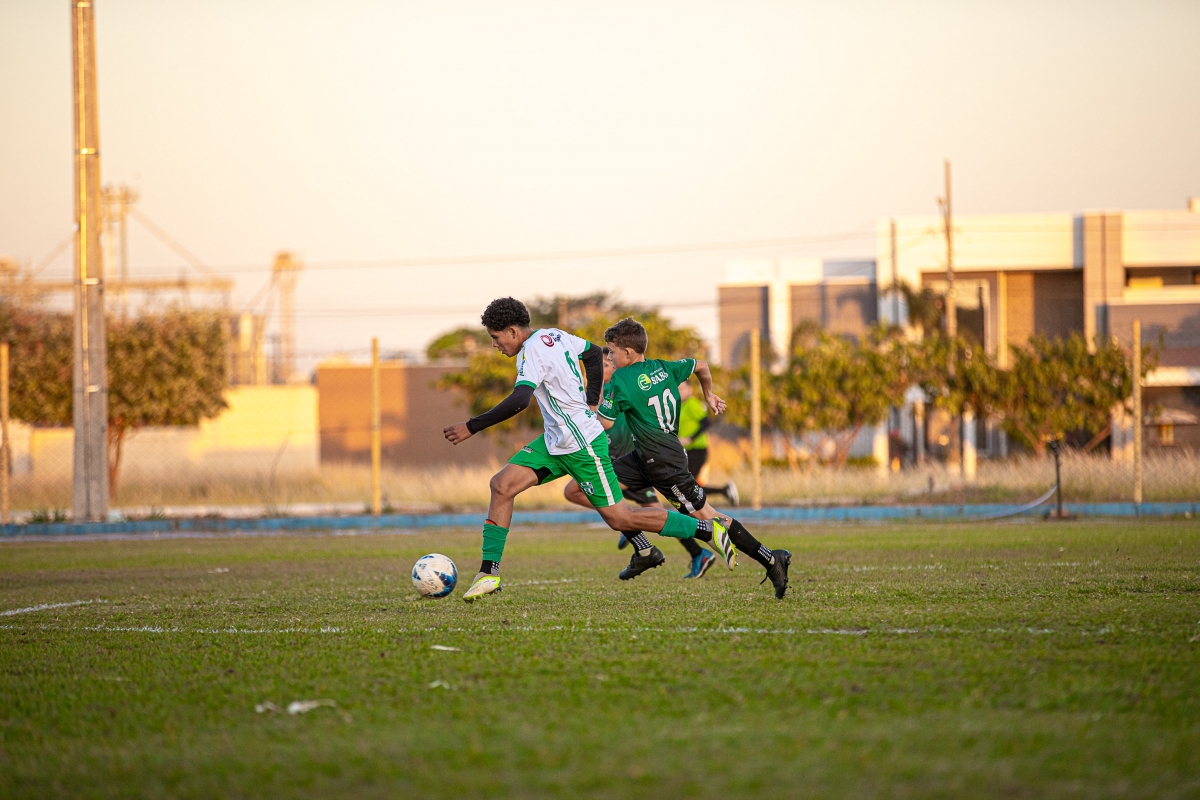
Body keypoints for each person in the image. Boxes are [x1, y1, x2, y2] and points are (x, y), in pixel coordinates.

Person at [443, 298, 737, 602]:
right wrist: (592, 400)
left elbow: (520, 400)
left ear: (513, 331)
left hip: (583, 445)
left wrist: (471, 426)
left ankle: (707, 530)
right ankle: (488, 574)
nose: (495, 345)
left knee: (621, 519)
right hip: (555, 441)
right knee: (502, 485)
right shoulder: (555, 334)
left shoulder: (530, 352)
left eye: (495, 337)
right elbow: (594, 353)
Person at [597, 317, 791, 599]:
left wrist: (579, 413)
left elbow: (605, 422)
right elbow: (701, 365)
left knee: (709, 517)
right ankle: (643, 548)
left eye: (612, 352)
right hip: (645, 457)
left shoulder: (621, 379)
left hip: (664, 462)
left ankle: (771, 559)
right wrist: (709, 394)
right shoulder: (664, 367)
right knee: (599, 485)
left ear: (627, 352)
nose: (610, 358)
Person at [562, 347, 718, 579]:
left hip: (631, 461)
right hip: (617, 461)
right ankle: (634, 525)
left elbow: (609, 423)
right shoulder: (600, 389)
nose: (600, 369)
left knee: (656, 511)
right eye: (600, 364)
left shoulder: (619, 386)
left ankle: (700, 546)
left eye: (606, 364)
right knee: (578, 492)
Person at [677, 379, 739, 507]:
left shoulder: (692, 403)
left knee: (687, 485)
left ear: (690, 389)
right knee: (686, 485)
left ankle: (719, 494)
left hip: (697, 450)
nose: (680, 392)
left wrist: (690, 438)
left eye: (682, 389)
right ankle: (724, 491)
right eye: (678, 389)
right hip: (686, 451)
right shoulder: (680, 406)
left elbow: (706, 422)